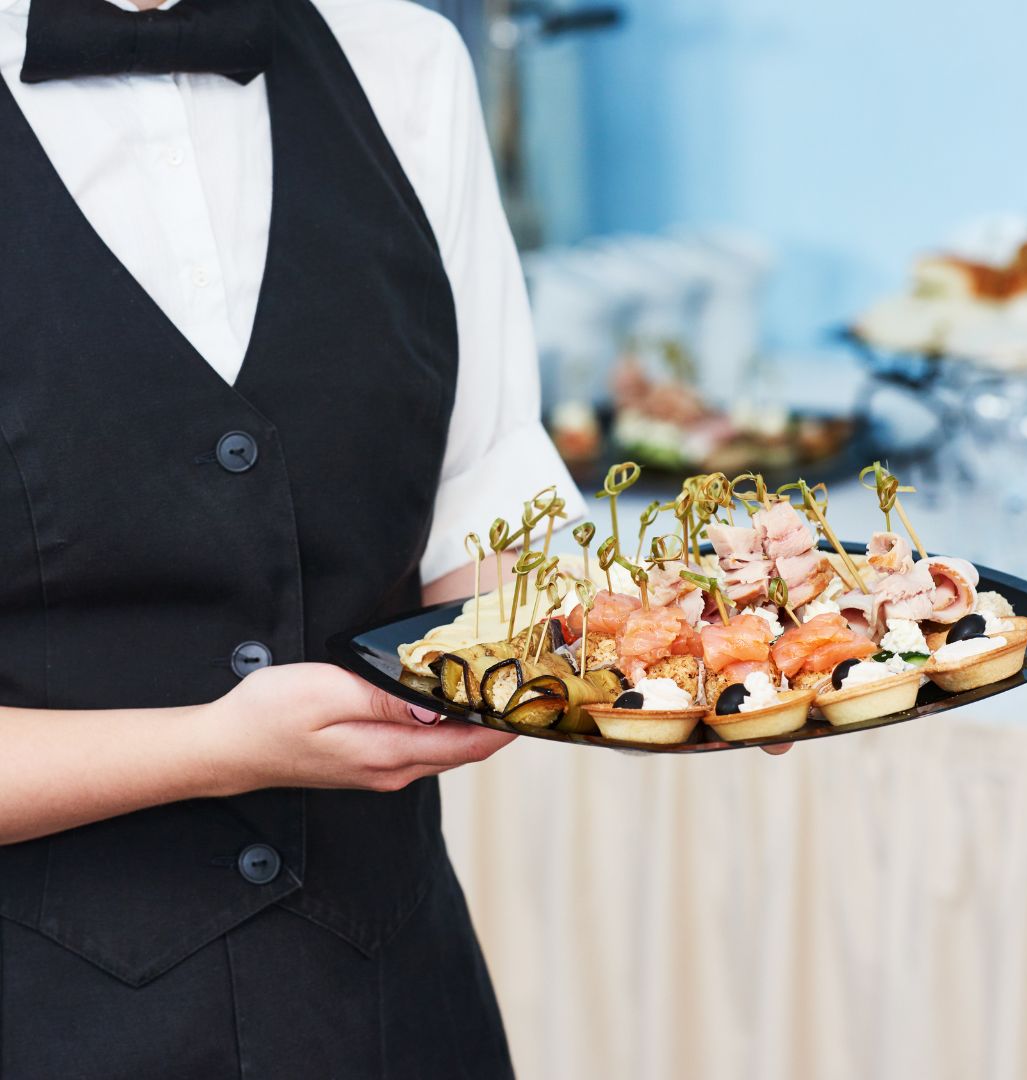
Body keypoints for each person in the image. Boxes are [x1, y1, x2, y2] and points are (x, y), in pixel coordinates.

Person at [0, 0, 788, 1074]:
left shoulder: (402, 59)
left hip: (386, 1009)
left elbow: (492, 531)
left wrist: (692, 645)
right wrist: (212, 749)